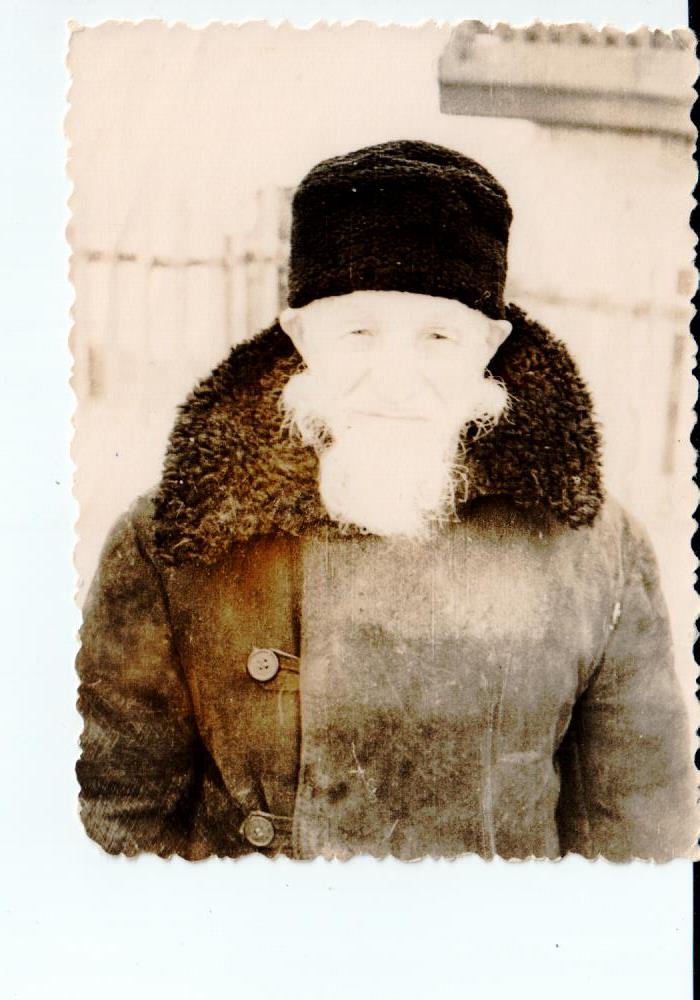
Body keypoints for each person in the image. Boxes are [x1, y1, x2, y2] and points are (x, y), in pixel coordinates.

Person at [76, 140, 696, 861]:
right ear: (301, 336)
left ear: (489, 346)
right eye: (359, 332)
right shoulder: (174, 538)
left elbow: (638, 838)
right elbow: (115, 829)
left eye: (438, 336)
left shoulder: (595, 549)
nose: (396, 380)